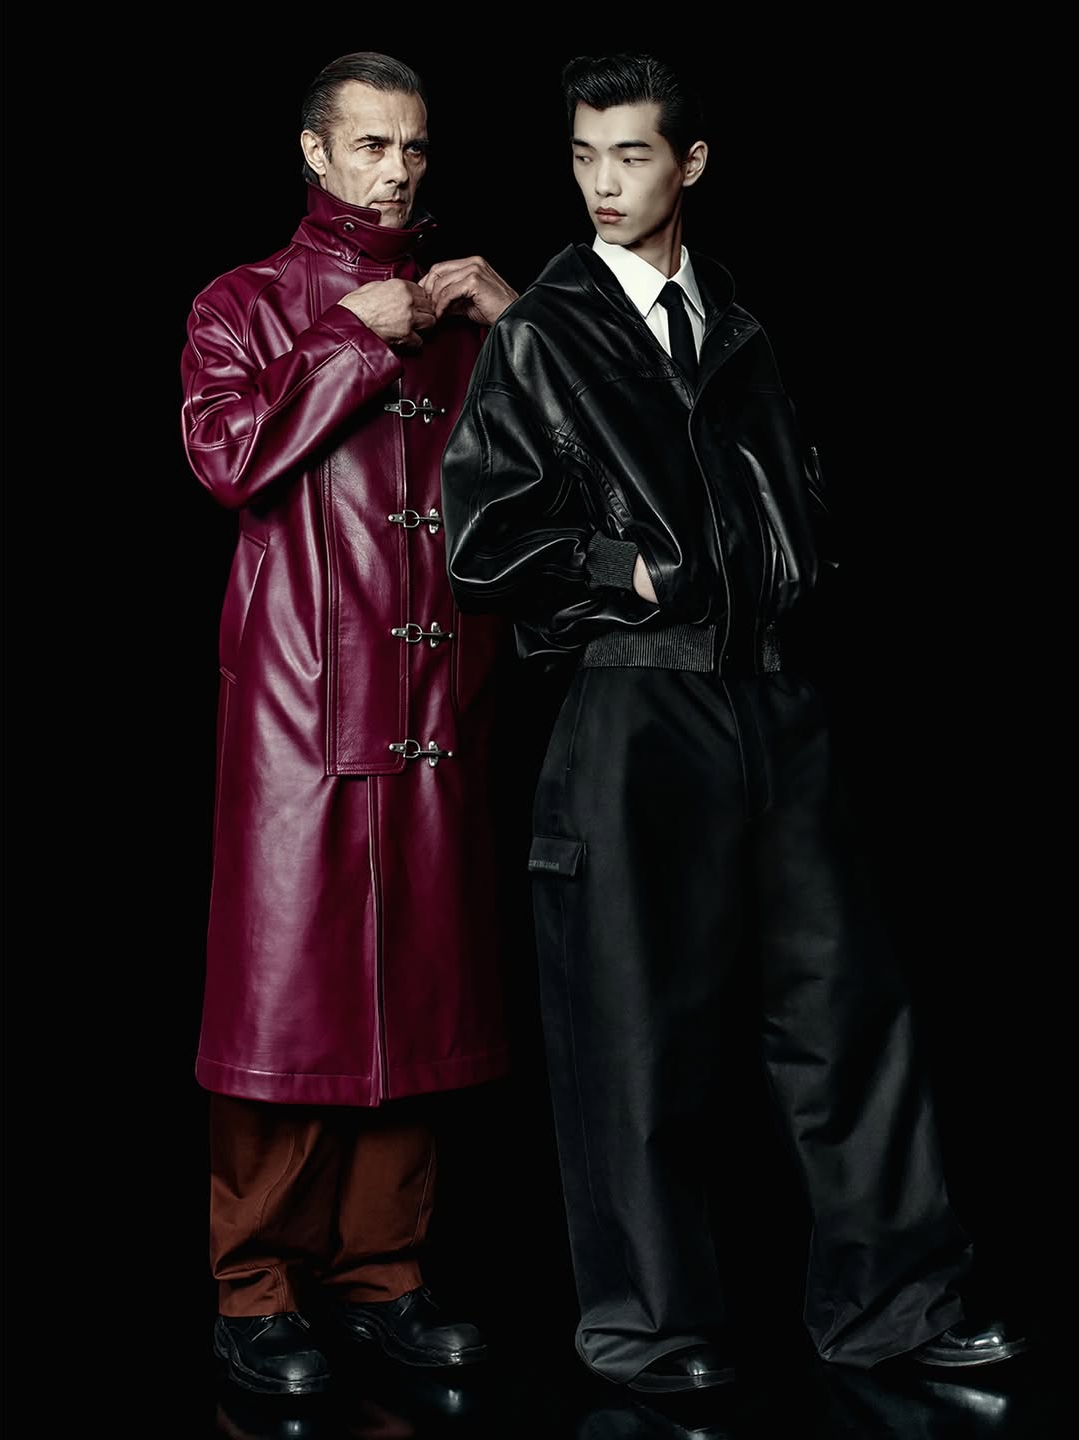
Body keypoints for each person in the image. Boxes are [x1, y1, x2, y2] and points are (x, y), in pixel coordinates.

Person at [440, 51, 1031, 1395]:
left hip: (774, 697)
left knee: (846, 1009)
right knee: (633, 1026)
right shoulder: (545, 332)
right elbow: (481, 544)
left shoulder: (743, 331)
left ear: (690, 164)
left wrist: (797, 564)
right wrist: (625, 571)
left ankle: (896, 1308)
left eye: (631, 155)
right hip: (632, 702)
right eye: (583, 156)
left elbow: (795, 505)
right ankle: (648, 1332)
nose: (602, 184)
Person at [179, 50, 520, 1398]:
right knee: (287, 999)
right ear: (316, 154)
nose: (397, 171)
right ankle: (255, 1290)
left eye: (415, 147)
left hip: (437, 700)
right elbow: (228, 458)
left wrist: (526, 329)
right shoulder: (243, 301)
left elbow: (576, 471)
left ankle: (386, 1275)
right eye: (371, 145)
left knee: (418, 990)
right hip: (297, 703)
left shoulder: (470, 308)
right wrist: (353, 336)